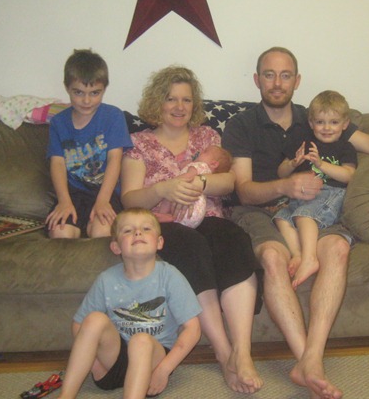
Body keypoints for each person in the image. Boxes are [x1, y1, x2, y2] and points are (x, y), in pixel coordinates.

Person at [222, 46, 369, 399]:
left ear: (297, 81)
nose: (277, 82)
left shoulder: (315, 118)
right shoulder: (242, 125)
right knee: (273, 257)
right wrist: (285, 185)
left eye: (285, 75)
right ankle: (308, 363)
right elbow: (243, 190)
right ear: (257, 80)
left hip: (319, 205)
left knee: (337, 249)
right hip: (261, 211)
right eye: (269, 74)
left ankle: (311, 361)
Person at [120, 66, 264, 394]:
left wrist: (200, 183)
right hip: (164, 224)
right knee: (192, 247)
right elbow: (129, 198)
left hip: (209, 216)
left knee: (233, 239)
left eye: (186, 100)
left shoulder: (207, 137)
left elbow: (229, 181)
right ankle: (223, 352)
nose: (179, 106)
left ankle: (242, 352)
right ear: (157, 102)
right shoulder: (139, 144)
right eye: (171, 99)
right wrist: (162, 189)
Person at [57, 208, 202, 399]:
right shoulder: (106, 279)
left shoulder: (169, 275)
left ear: (159, 242)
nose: (138, 233)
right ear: (116, 247)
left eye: (146, 229)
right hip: (113, 362)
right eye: (128, 230)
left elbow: (193, 329)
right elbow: (79, 324)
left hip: (153, 364)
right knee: (93, 319)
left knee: (140, 340)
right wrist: (94, 361)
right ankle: (66, 396)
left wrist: (164, 370)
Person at [274, 90, 357, 291]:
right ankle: (297, 254)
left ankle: (310, 259)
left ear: (345, 124)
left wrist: (321, 164)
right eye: (320, 122)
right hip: (300, 196)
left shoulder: (345, 147)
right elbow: (280, 172)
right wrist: (293, 163)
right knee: (281, 218)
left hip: (331, 194)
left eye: (334, 122)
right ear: (311, 123)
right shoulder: (304, 144)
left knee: (304, 215)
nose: (327, 128)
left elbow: (349, 175)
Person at [46, 49, 133, 239]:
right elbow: (57, 163)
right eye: (78, 92)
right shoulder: (58, 122)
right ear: (67, 88)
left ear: (104, 89)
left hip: (106, 193)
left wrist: (103, 200)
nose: (86, 101)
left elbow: (115, 159)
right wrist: (63, 201)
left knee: (102, 231)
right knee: (60, 232)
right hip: (73, 194)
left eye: (94, 93)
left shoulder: (113, 116)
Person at [154, 144, 233, 228]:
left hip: (189, 208)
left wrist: (172, 182)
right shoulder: (207, 173)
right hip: (197, 214)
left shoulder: (200, 165)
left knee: (169, 194)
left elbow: (188, 177)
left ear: (213, 164)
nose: (200, 152)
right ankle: (173, 218)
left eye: (205, 152)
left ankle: (162, 214)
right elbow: (183, 166)